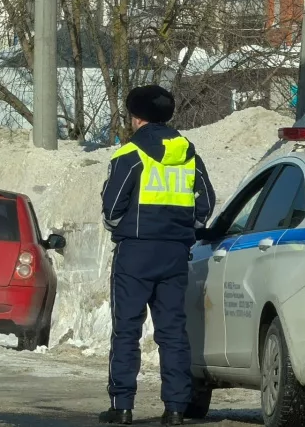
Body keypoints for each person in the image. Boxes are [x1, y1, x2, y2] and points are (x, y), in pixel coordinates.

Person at [99, 85, 216, 426]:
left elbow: (112, 209)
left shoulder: (129, 155)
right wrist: (183, 231)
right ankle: (176, 409)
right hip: (175, 253)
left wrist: (129, 227)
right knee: (173, 331)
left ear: (135, 118)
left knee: (126, 330)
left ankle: (122, 407)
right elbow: (205, 203)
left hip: (135, 251)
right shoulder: (191, 156)